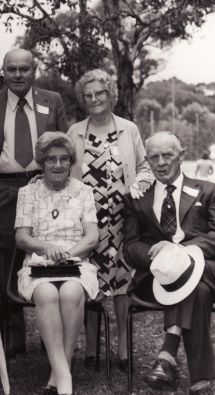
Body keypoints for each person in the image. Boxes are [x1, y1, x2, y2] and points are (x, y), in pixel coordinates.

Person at [123, 131, 215, 395]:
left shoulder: (208, 190)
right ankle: (200, 388)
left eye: (167, 155)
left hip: (208, 269)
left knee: (192, 277)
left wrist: (178, 251)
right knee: (197, 292)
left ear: (182, 155)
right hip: (157, 279)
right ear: (147, 160)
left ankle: (168, 355)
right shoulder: (138, 197)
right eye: (154, 157)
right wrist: (157, 256)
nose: (160, 162)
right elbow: (130, 247)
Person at [0, 48, 69, 358]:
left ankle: (50, 330)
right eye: (11, 69)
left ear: (34, 70)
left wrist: (57, 183)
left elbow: (63, 146)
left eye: (24, 68)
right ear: (4, 71)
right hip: (3, 187)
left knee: (46, 249)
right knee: (4, 257)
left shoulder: (52, 101)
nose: (18, 74)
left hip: (44, 184)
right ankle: (13, 332)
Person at [67, 69, 153, 370]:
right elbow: (65, 172)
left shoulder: (128, 129)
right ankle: (91, 349)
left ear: (110, 94)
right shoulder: (75, 131)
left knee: (121, 282)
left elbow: (145, 166)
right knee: (89, 277)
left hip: (121, 217)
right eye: (88, 95)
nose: (94, 99)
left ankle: (124, 349)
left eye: (99, 94)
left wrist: (141, 183)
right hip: (87, 220)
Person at [15, 132, 99, 395]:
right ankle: (65, 375)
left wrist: (68, 254)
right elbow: (22, 238)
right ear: (42, 162)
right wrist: (45, 247)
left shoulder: (84, 191)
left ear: (71, 162)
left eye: (64, 159)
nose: (58, 165)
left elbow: (92, 237)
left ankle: (57, 377)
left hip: (75, 263)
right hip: (38, 264)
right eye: (52, 159)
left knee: (72, 291)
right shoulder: (27, 193)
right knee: (48, 294)